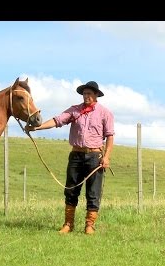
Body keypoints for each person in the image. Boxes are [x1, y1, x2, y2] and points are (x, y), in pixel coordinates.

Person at [26, 81, 114, 234]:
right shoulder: (74, 110)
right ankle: (68, 224)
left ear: (96, 95)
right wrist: (37, 127)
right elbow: (57, 120)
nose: (86, 96)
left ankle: (89, 225)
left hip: (95, 156)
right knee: (71, 189)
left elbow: (110, 136)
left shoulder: (105, 113)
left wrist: (106, 157)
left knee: (93, 192)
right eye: (84, 93)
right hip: (76, 155)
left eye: (89, 94)